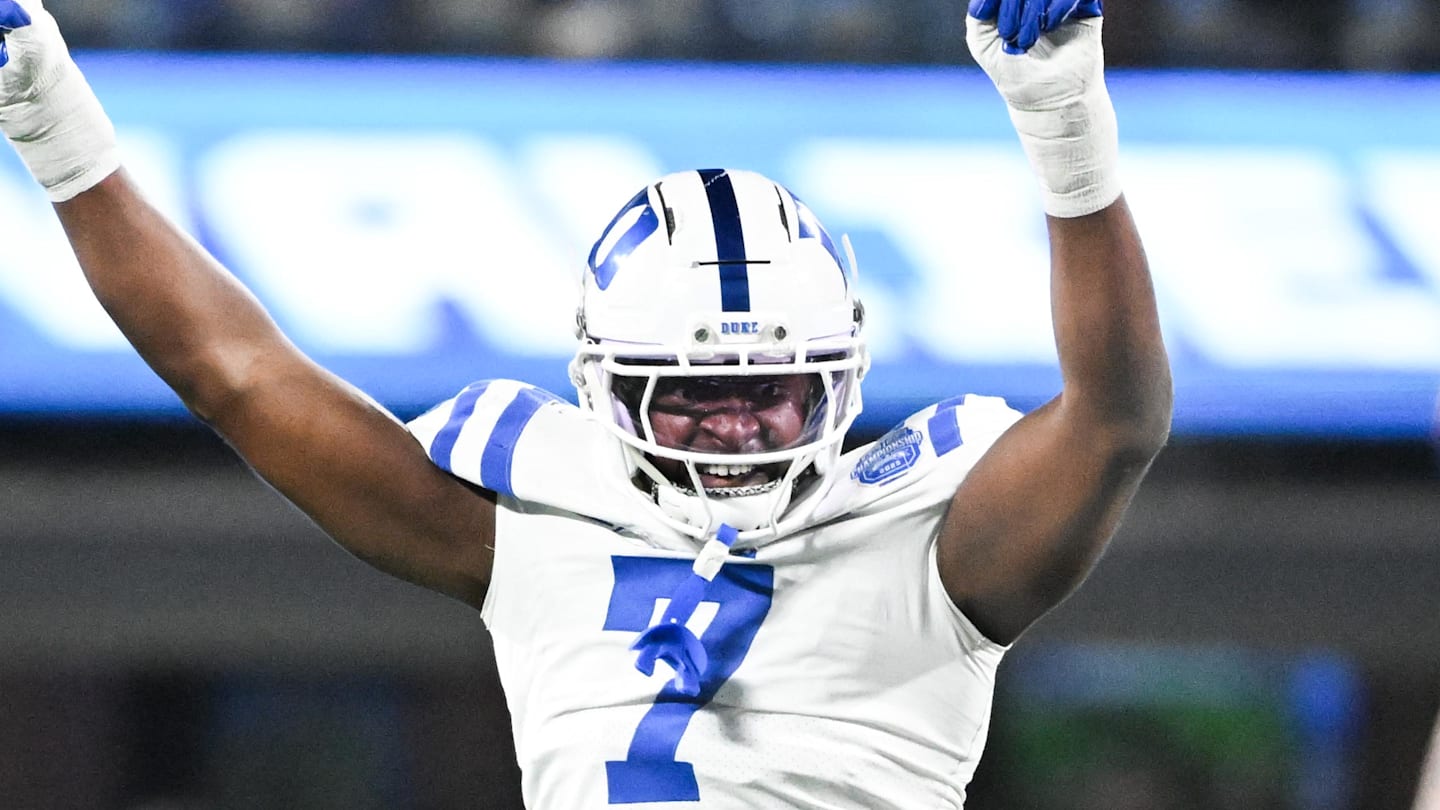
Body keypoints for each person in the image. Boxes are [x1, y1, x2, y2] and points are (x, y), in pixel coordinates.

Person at [0, 0, 1172, 806]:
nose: (736, 429)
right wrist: (49, 112)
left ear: (840, 378)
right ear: (605, 387)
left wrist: (1064, 122)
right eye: (690, 398)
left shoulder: (929, 541)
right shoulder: (532, 523)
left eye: (770, 391)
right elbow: (236, 373)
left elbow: (1117, 421)